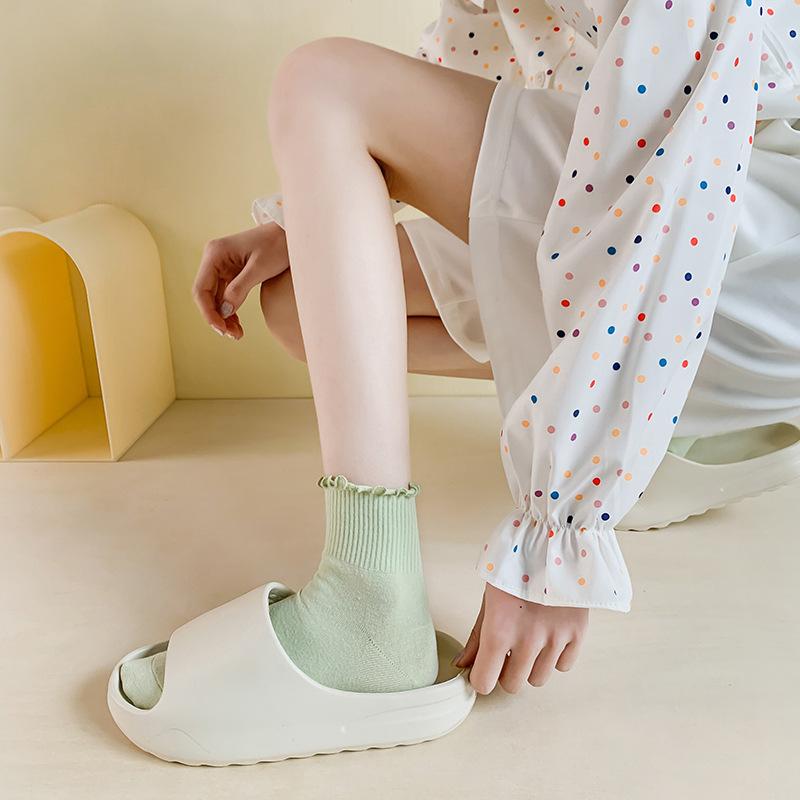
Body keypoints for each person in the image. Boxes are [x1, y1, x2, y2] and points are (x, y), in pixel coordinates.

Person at [119, 1, 800, 709]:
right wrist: (312, 217)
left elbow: (674, 184)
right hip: (694, 249)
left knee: (322, 82)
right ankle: (673, 450)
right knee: (303, 301)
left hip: (740, 250)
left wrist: (559, 535)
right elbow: (477, 75)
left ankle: (368, 602)